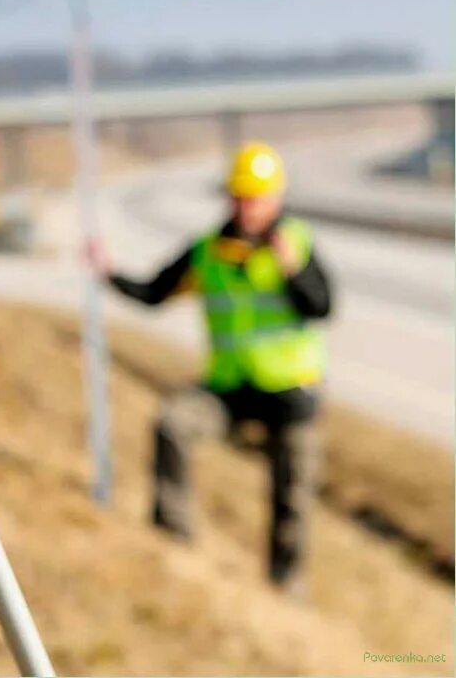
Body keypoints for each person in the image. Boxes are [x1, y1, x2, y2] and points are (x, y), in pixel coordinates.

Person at [89, 141, 332, 591]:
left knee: (293, 493)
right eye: (240, 196)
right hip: (229, 387)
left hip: (290, 391)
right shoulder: (207, 252)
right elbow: (154, 292)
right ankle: (173, 541)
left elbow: (321, 306)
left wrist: (292, 270)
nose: (247, 207)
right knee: (173, 424)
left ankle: (286, 584)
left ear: (276, 198)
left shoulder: (296, 244)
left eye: (256, 197)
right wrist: (108, 272)